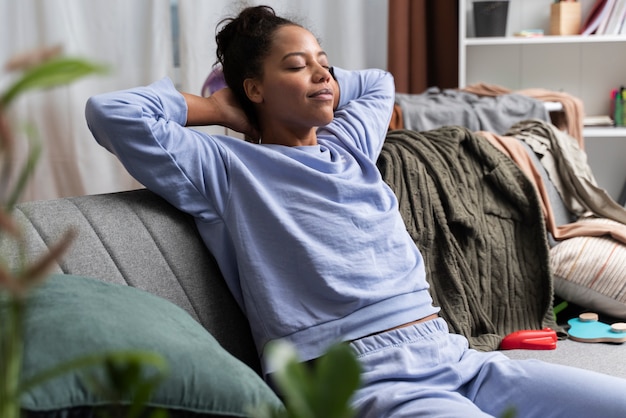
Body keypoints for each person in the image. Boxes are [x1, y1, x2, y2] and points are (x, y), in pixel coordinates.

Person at [85, 5, 626, 417]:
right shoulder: (223, 167)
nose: (323, 75)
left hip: (452, 355)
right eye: (297, 66)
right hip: (356, 377)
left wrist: (312, 76)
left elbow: (377, 84)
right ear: (254, 89)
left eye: (326, 64)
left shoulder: (347, 146)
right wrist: (216, 107)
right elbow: (112, 113)